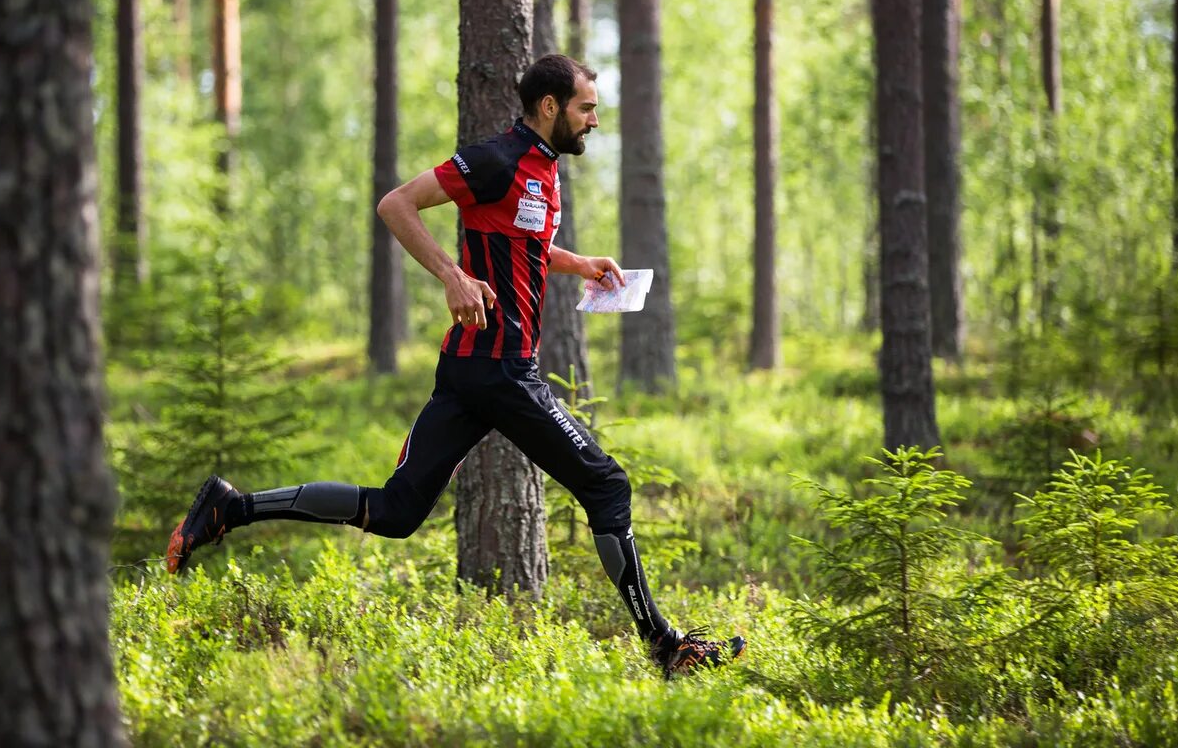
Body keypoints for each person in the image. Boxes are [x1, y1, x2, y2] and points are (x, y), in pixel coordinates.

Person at [167, 54, 746, 678]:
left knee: (394, 512)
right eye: (586, 109)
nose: (594, 122)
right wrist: (453, 274)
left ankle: (231, 507)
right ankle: (667, 648)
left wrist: (576, 264)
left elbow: (518, 240)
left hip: (472, 372)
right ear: (550, 107)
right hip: (500, 369)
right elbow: (396, 204)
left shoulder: (543, 170)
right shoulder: (495, 159)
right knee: (608, 485)